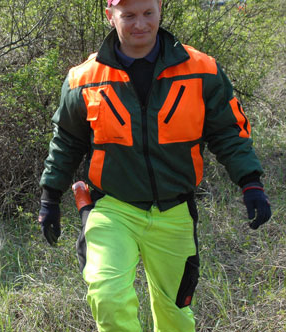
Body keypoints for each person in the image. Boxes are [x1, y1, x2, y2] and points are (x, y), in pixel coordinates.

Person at [37, 0, 272, 331]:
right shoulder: (84, 79)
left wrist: (251, 184)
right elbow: (67, 142)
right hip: (112, 207)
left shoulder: (202, 70)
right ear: (110, 16)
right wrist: (50, 198)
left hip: (175, 212)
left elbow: (228, 132)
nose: (140, 24)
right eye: (128, 15)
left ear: (160, 9)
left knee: (175, 315)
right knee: (108, 296)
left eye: (148, 13)